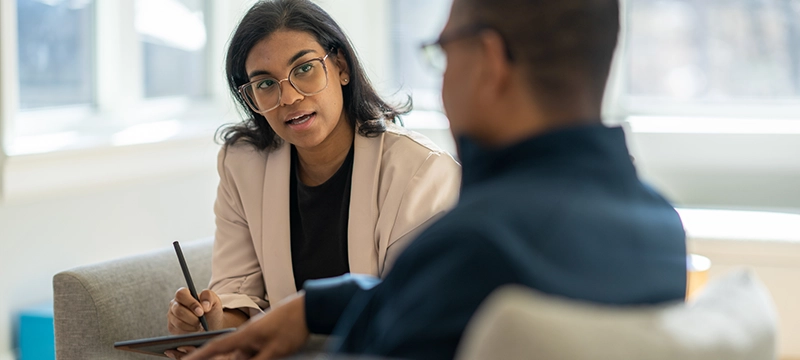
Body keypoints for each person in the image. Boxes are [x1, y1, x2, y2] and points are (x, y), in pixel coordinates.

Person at [185, 0, 688, 359]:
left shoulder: (475, 244)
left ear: (488, 63)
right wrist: (313, 308)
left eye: (444, 52)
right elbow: (419, 296)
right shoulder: (660, 227)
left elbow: (440, 288)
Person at [164, 0, 461, 347]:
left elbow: (409, 311)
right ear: (251, 100)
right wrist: (210, 319)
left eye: (304, 69)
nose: (288, 97)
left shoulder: (420, 171)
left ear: (341, 66)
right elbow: (238, 294)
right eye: (265, 84)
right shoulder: (242, 164)